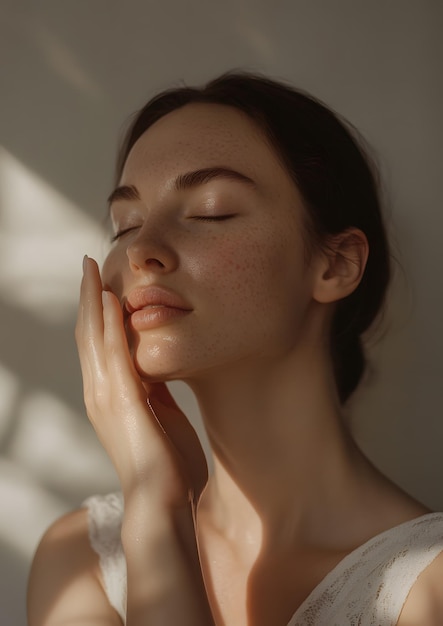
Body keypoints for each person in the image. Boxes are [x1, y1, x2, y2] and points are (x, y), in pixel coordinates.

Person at [27, 72, 443, 626]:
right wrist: (155, 502)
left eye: (210, 211)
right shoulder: (83, 558)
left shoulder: (426, 584)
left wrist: (159, 512)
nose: (142, 250)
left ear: (335, 264)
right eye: (125, 226)